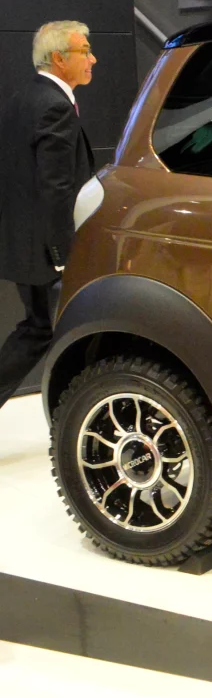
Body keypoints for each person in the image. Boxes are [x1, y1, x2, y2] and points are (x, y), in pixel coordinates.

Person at [0, 21, 96, 411]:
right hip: (47, 253)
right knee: (56, 331)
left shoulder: (22, 98)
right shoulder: (55, 106)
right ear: (59, 58)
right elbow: (55, 188)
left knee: (39, 330)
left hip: (25, 245)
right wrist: (62, 256)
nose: (93, 59)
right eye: (84, 51)